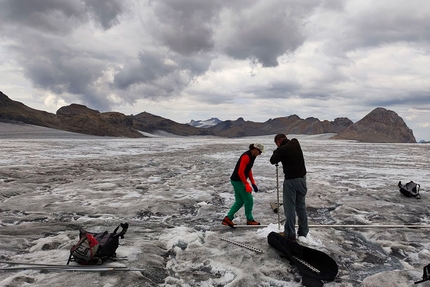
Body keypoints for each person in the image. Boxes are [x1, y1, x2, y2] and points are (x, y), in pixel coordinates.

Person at [270, 134, 308, 241]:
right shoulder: (295, 142)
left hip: (291, 181)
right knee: (301, 206)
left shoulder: (282, 149)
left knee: (289, 207)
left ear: (278, 141)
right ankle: (303, 232)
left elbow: (273, 160)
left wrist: (277, 150)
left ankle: (290, 233)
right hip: (302, 180)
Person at [222, 143, 264, 227]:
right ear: (255, 149)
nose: (260, 154)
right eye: (260, 152)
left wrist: (253, 182)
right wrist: (246, 184)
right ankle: (250, 220)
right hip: (238, 181)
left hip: (236, 180)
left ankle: (228, 218)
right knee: (249, 200)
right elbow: (240, 172)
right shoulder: (246, 156)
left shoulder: (252, 156)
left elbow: (248, 169)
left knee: (239, 201)